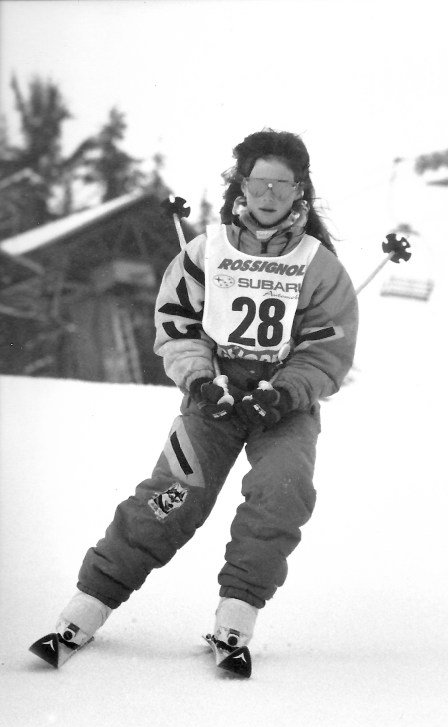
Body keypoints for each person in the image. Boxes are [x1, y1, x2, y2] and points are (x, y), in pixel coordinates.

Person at [29, 128, 359, 677]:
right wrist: (200, 378)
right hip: (215, 400)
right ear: (241, 185)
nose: (268, 193)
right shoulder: (205, 250)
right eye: (259, 181)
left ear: (299, 190)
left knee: (283, 492)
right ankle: (86, 607)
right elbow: (178, 325)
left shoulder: (318, 265)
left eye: (282, 183)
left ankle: (236, 617)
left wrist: (283, 394)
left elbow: (328, 348)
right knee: (174, 497)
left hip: (282, 407)